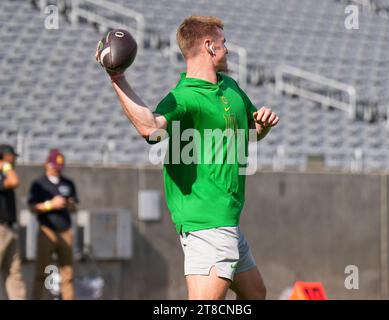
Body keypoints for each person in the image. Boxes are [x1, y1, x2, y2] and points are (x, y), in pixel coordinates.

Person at [97, 16, 279, 300]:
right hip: (207, 223)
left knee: (255, 293)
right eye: (223, 43)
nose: (227, 49)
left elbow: (250, 132)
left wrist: (262, 126)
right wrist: (117, 78)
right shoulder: (184, 97)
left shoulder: (230, 87)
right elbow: (149, 127)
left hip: (226, 219)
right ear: (209, 46)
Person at [28, 149, 79, 300]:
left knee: (67, 274)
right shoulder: (39, 184)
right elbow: (32, 207)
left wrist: (69, 204)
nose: (56, 170)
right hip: (47, 230)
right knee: (42, 273)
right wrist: (51, 204)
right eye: (54, 166)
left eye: (59, 167)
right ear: (47, 164)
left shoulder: (68, 183)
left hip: (65, 230)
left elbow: (75, 207)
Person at [0, 144, 26, 299]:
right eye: (12, 156)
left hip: (9, 228)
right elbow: (14, 181)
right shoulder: (5, 171)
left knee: (14, 274)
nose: (14, 160)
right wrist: (5, 166)